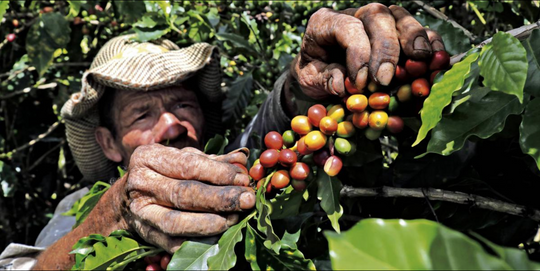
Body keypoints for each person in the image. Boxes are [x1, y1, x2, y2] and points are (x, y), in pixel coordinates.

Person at [0, 4, 445, 270]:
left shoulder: (236, 166)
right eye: (141, 113)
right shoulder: (79, 211)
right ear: (109, 143)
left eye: (183, 104)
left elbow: (272, 138)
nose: (171, 124)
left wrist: (301, 87)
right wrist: (113, 213)